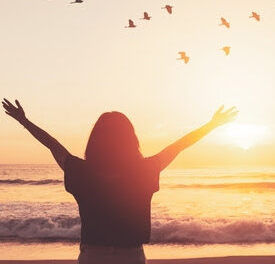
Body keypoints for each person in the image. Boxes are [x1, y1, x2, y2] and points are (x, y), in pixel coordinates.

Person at [2, 98, 238, 264]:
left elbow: (53, 145)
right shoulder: (144, 171)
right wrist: (211, 125)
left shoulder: (81, 171)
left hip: (92, 257)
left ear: (95, 140)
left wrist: (24, 120)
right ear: (131, 140)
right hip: (131, 257)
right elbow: (178, 146)